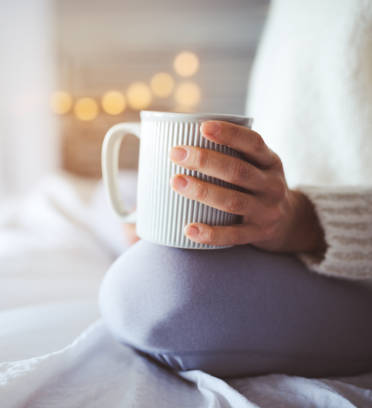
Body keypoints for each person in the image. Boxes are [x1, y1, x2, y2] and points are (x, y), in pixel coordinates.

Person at [99, 0, 372, 378]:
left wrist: (304, 221)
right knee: (114, 211)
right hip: (276, 227)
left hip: (351, 263)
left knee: (150, 290)